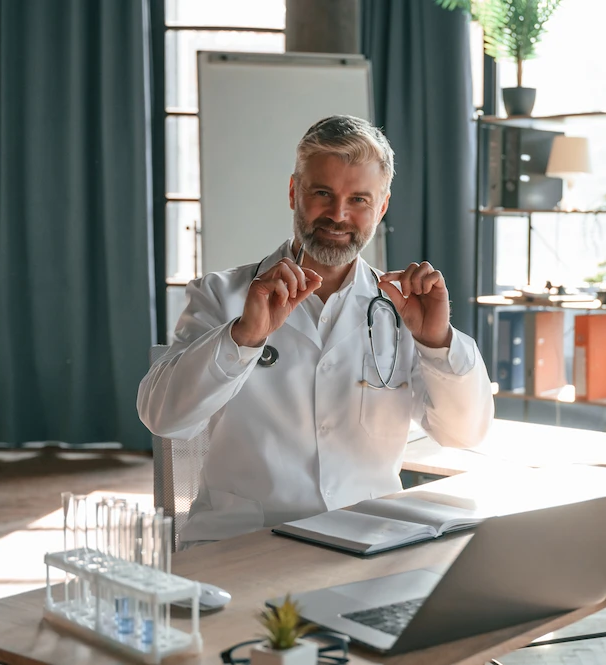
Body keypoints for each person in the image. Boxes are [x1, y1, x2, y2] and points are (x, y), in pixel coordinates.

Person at [138, 115, 493, 545]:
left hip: (368, 541)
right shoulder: (220, 295)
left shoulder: (403, 311)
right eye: (322, 193)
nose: (338, 215)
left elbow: (464, 433)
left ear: (381, 208)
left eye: (359, 199)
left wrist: (437, 343)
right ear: (294, 193)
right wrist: (243, 338)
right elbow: (163, 418)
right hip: (245, 542)